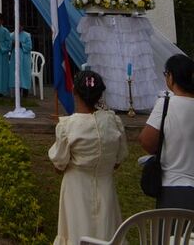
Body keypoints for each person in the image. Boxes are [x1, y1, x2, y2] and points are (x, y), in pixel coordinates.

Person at [49, 70, 128, 245]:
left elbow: (59, 165)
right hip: (105, 186)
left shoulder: (68, 126)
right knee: (106, 231)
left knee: (77, 232)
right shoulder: (113, 122)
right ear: (100, 94)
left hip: (76, 188)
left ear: (74, 91)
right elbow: (118, 160)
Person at [139, 54, 194, 209]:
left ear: (171, 77)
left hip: (171, 186)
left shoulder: (166, 104)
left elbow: (146, 140)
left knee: (170, 232)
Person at [10, 25, 32, 97]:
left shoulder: (27, 35)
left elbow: (29, 46)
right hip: (15, 58)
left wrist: (21, 44)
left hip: (24, 59)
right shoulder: (12, 35)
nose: (19, 27)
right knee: (16, 75)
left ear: (22, 26)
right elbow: (8, 46)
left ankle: (25, 92)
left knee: (24, 74)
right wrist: (12, 44)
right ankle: (17, 93)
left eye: (20, 26)